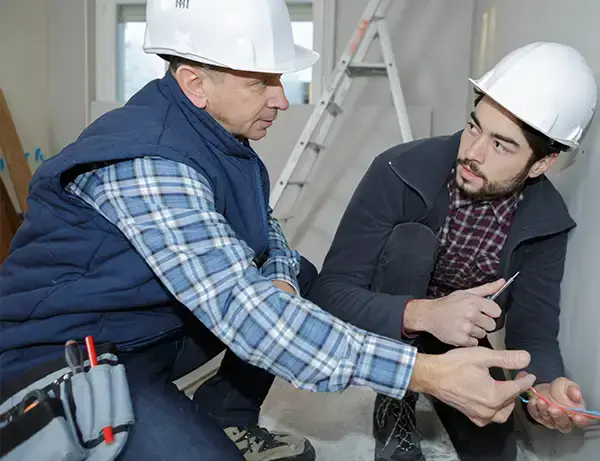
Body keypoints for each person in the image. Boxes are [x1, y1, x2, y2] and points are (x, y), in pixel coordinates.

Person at [0, 2, 536, 460]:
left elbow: (269, 234)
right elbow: (244, 313)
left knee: (294, 275)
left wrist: (278, 283)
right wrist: (424, 373)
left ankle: (223, 413)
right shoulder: (150, 163)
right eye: (262, 82)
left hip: (137, 331)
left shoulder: (218, 135)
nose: (281, 98)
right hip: (65, 356)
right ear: (194, 84)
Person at [307, 41, 598, 461]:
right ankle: (395, 399)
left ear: (541, 164)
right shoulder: (397, 170)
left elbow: (533, 331)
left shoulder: (546, 221)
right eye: (474, 126)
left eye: (501, 145)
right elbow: (328, 295)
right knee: (412, 242)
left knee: (497, 449)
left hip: (462, 339)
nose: (473, 152)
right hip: (389, 324)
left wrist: (548, 387)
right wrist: (424, 314)